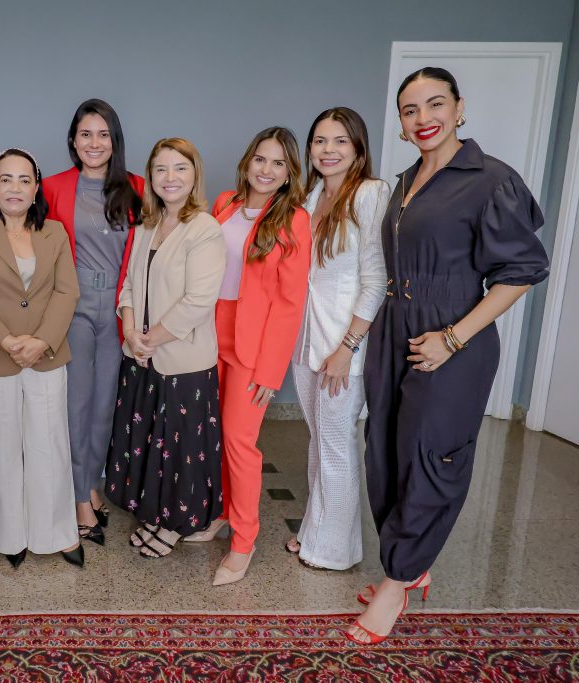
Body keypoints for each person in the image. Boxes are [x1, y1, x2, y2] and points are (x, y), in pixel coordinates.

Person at [349, 67, 549, 644]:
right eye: (410, 109)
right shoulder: (406, 181)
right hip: (395, 330)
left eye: (435, 104)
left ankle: (397, 582)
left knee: (430, 457)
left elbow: (521, 271)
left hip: (451, 338)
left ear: (459, 108)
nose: (423, 118)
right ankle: (409, 562)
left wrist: (453, 339)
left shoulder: (491, 180)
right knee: (385, 451)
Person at [0, 148, 83, 568]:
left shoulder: (54, 233)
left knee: (50, 445)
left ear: (36, 188)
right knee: (1, 447)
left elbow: (67, 291)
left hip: (46, 353)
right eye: (6, 179)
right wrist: (8, 342)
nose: (15, 188)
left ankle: (57, 532)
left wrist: (41, 340)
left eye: (24, 180)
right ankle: (10, 535)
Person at [104, 137, 226, 559]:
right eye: (160, 169)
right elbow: (129, 285)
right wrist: (129, 332)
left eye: (180, 168)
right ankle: (154, 515)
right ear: (151, 177)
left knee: (179, 450)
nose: (169, 177)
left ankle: (176, 524)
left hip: (182, 361)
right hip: (142, 356)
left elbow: (198, 301)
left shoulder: (205, 229)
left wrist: (149, 339)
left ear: (194, 175)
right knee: (150, 442)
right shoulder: (147, 225)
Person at [204, 127, 311, 586]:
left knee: (238, 441)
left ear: (289, 174)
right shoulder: (224, 204)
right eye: (261, 159)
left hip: (252, 346)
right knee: (214, 435)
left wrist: (270, 370)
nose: (266, 170)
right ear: (247, 161)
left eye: (278, 163)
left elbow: (289, 304)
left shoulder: (294, 220)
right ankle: (223, 513)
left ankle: (244, 540)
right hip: (209, 335)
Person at [286, 108, 388, 571]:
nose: (328, 150)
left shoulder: (369, 193)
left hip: (344, 344)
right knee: (319, 439)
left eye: (340, 141)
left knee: (336, 443)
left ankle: (334, 551)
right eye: (320, 141)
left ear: (358, 147)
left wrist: (348, 347)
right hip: (306, 338)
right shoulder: (310, 197)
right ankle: (315, 531)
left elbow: (376, 279)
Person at [43, 99, 144, 544]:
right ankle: (79, 495)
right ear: (73, 140)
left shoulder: (139, 187)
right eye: (86, 134)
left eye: (103, 134)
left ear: (115, 140)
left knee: (106, 405)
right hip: (73, 305)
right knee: (76, 404)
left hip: (119, 307)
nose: (94, 143)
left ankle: (90, 481)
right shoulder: (52, 187)